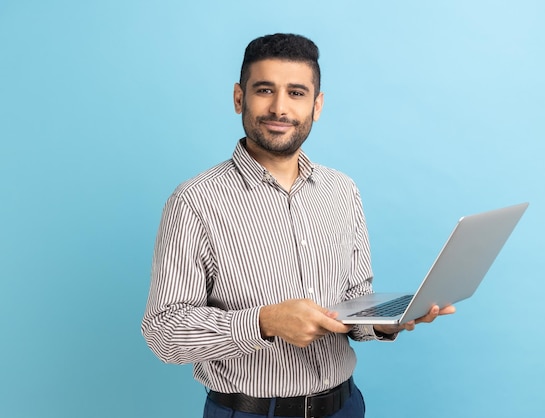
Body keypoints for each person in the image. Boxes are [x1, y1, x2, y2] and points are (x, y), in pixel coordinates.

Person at [141, 33, 455, 418]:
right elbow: (164, 332)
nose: (279, 108)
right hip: (253, 412)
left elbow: (353, 301)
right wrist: (264, 322)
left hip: (346, 406)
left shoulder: (342, 190)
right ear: (239, 97)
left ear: (316, 105)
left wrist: (389, 321)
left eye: (296, 93)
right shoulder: (194, 202)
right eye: (264, 90)